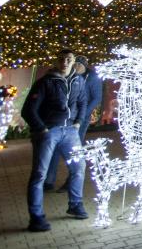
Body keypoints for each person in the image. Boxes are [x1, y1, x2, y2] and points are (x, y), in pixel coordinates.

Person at [21, 49, 88, 231]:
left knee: (79, 167)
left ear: (73, 61)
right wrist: (42, 129)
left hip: (70, 132)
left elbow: (83, 102)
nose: (65, 62)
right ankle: (36, 217)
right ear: (56, 61)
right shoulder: (45, 82)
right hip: (49, 132)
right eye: (61, 59)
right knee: (39, 174)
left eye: (69, 59)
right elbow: (28, 110)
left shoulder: (78, 81)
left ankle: (76, 204)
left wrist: (78, 123)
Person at [46, 56, 103, 192]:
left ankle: (71, 182)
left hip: (80, 120)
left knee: (74, 151)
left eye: (79, 65)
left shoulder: (92, 77)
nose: (76, 67)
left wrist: (82, 115)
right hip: (64, 118)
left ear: (85, 66)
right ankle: (48, 181)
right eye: (75, 64)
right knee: (55, 149)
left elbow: (96, 98)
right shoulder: (67, 76)